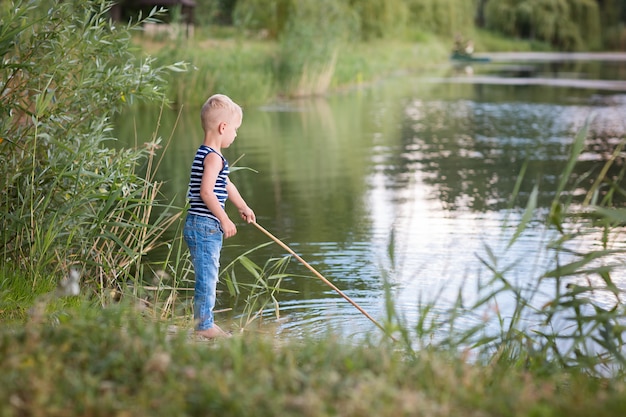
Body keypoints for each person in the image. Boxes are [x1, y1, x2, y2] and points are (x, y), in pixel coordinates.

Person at [183, 93, 256, 339]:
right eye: (235, 129)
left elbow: (225, 185)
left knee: (208, 272)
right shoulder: (214, 158)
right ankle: (204, 326)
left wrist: (243, 206)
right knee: (208, 276)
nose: (235, 134)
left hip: (200, 225)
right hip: (206, 225)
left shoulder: (206, 154)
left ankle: (206, 322)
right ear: (223, 127)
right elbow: (206, 192)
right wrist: (224, 219)